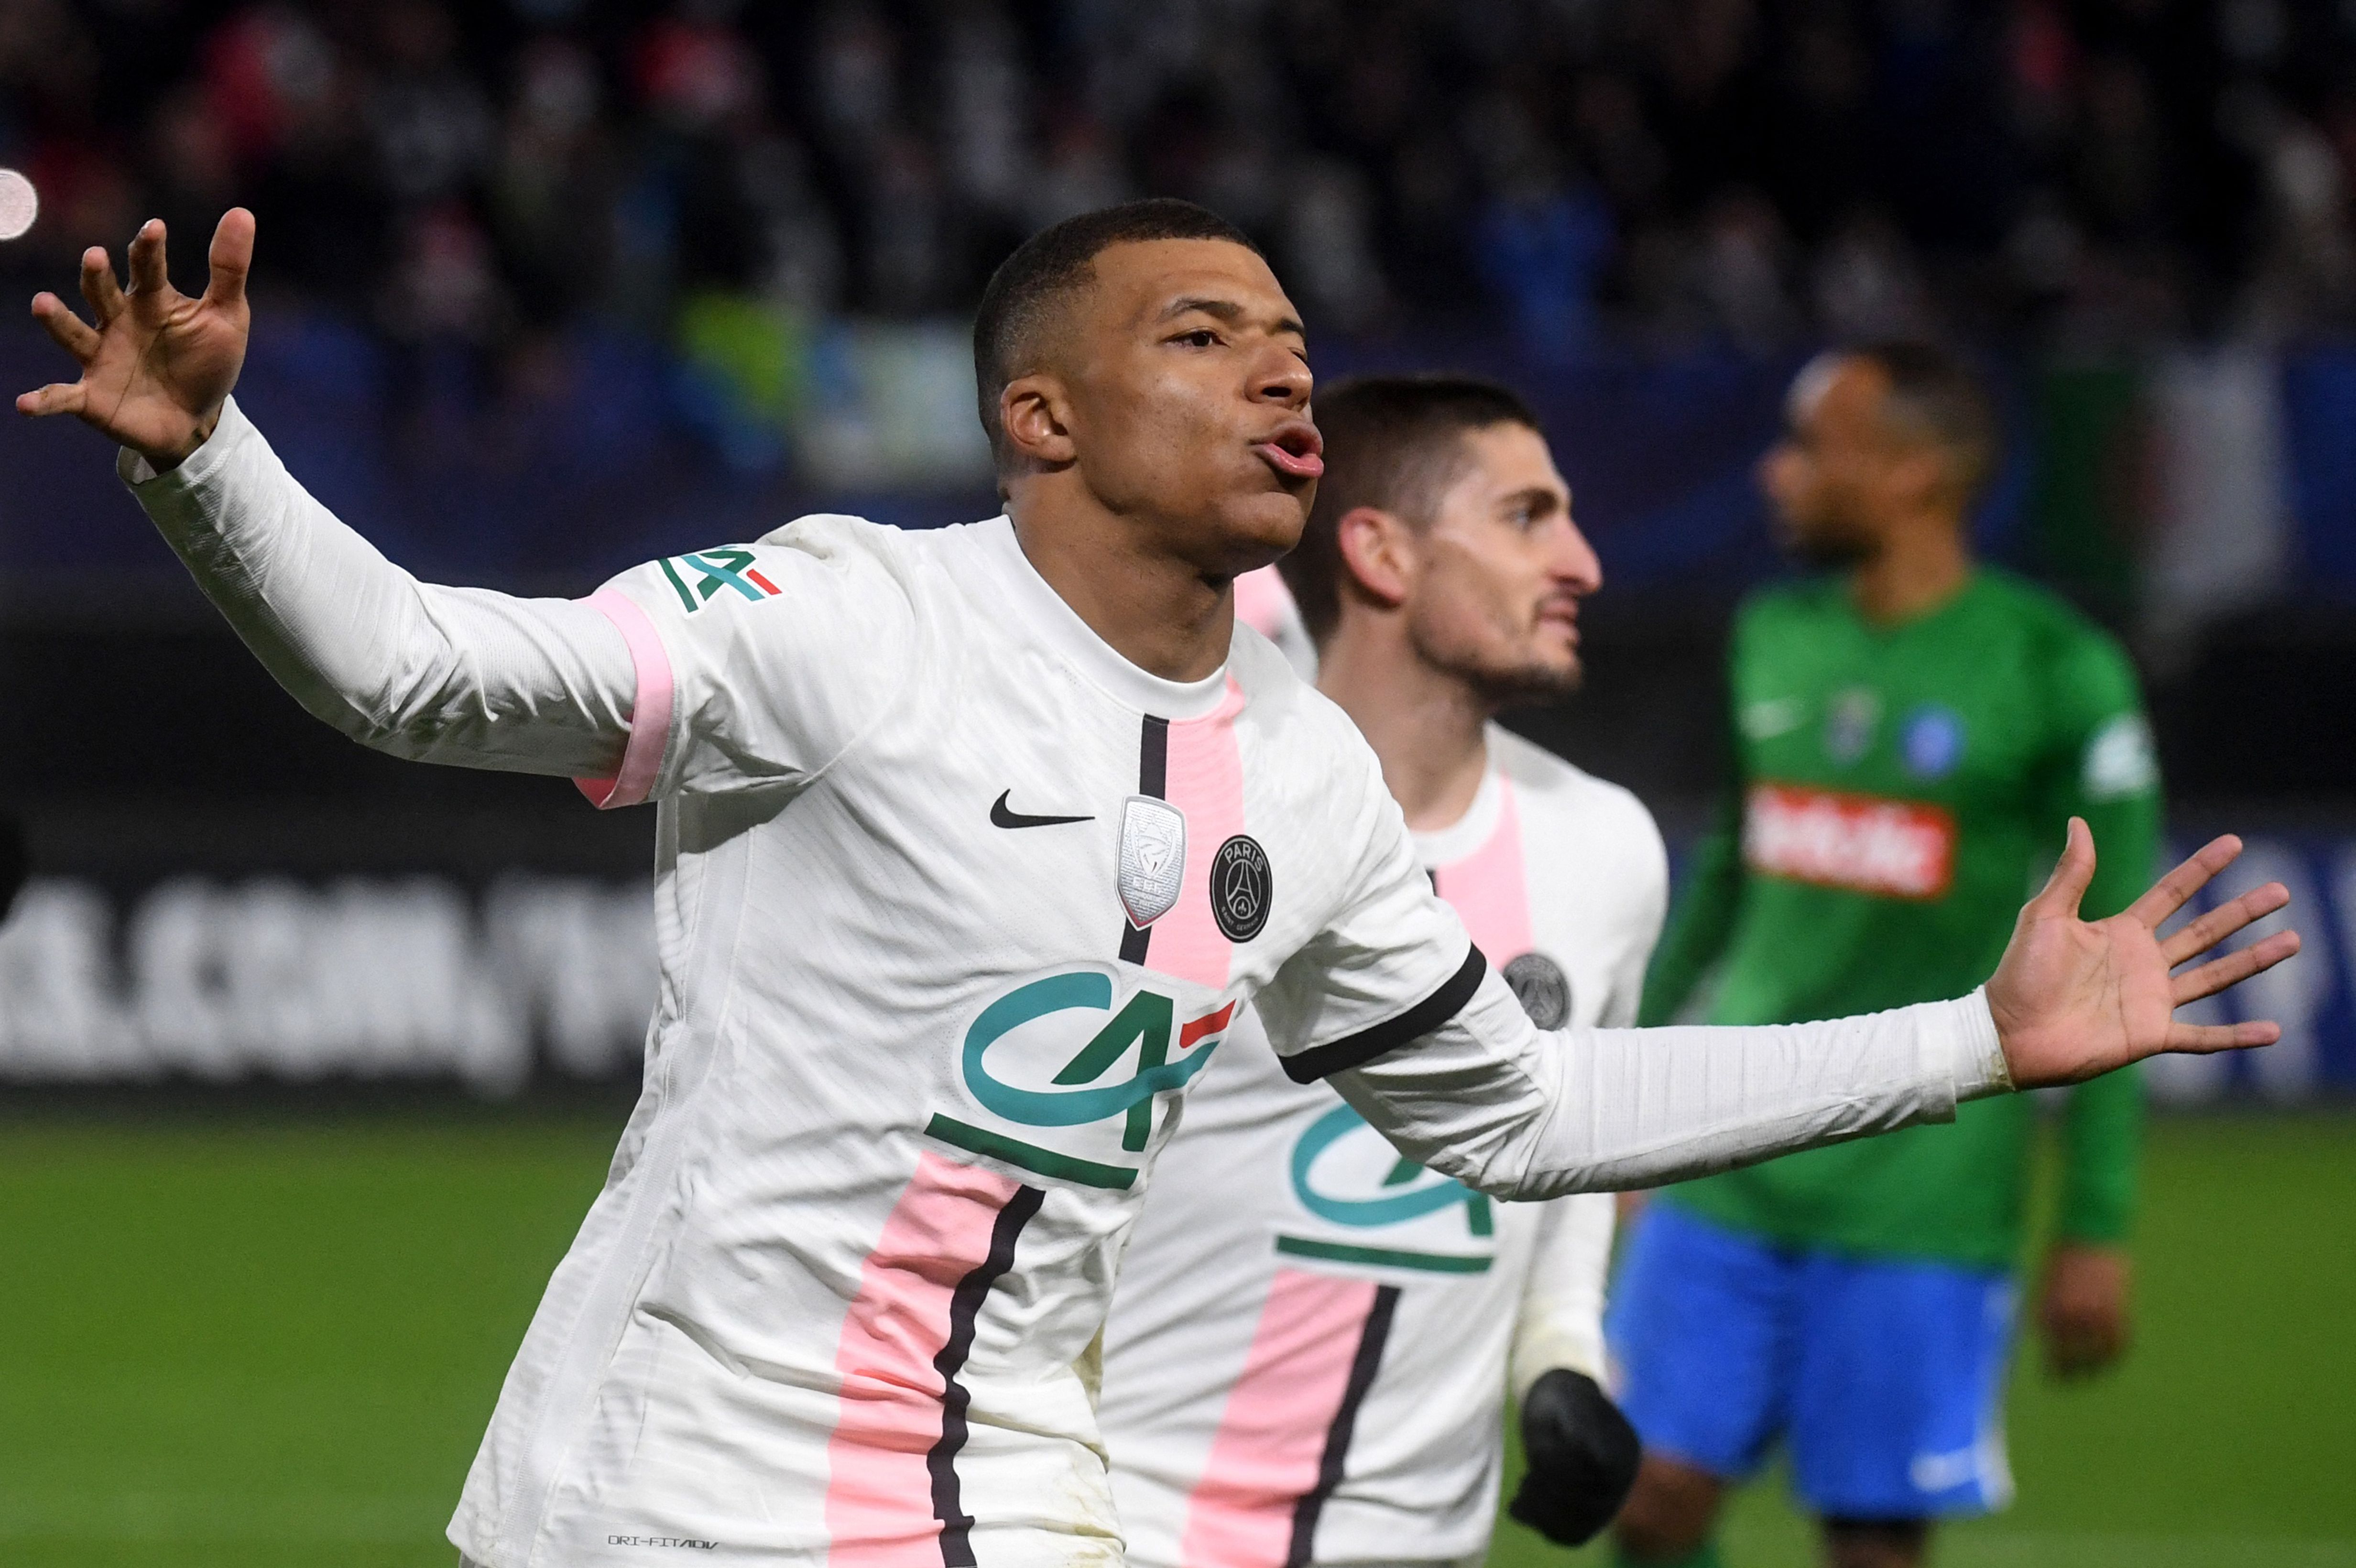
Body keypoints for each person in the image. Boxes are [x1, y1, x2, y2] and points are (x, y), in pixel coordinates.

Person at [16, 204, 2291, 1568]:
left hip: (1027, 1493)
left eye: (1290, 333)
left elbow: (1515, 1118)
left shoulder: (1298, 779)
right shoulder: (839, 624)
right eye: (1202, 336)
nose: (1281, 360)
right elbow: (421, 672)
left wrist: (1980, 1045)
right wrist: (208, 456)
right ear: (1045, 422)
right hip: (688, 1495)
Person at [1611, 344, 2165, 1568]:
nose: (1776, 471)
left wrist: (2095, 1223)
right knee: (1645, 1497)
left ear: (1918, 474)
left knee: (1869, 1541)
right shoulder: (1770, 633)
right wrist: (1618, 1097)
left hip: (1925, 1181)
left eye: (1814, 447)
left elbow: (2120, 974)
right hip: (1731, 1148)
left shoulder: (2055, 667)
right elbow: (1724, 880)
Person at [1097, 376, 1658, 1568]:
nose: (1583, 563)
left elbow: (1565, 1153)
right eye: (1526, 516)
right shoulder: (1175, 819)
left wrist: (1560, 1353)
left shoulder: (1608, 849)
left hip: (1427, 1546)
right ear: (1381, 554)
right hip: (1124, 1529)